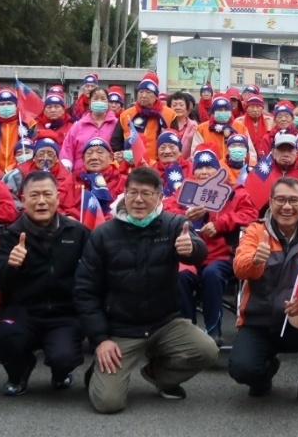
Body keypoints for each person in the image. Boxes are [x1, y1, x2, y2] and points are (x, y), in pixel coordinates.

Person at [75, 167, 219, 413]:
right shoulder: (103, 234)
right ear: (124, 194)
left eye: (146, 193)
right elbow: (84, 290)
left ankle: (158, 374)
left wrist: (192, 248)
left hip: (164, 322)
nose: (138, 199)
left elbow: (198, 250)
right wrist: (100, 339)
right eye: (133, 193)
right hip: (121, 328)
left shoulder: (175, 225)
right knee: (108, 404)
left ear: (159, 197)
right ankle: (99, 372)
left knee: (207, 350)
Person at [229, 177, 298, 411]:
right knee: (243, 370)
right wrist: (254, 261)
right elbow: (239, 268)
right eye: (280, 200)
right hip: (258, 321)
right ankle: (266, 370)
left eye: (293, 200)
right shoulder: (256, 231)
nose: (287, 206)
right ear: (270, 202)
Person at [0, 171, 88, 395]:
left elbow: (93, 274)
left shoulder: (77, 232)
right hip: (23, 311)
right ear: (23, 200)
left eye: (46, 194)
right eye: (34, 196)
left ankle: (61, 374)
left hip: (64, 313)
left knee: (64, 356)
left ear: (57, 198)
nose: (41, 201)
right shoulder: (11, 236)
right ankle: (20, 369)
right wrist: (12, 265)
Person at [168, 148, 258, 344]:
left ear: (219, 171)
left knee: (212, 274)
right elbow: (165, 209)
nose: (205, 172)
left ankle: (212, 331)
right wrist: (184, 215)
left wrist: (220, 224)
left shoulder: (234, 192)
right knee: (180, 275)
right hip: (190, 255)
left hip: (222, 256)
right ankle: (187, 331)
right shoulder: (185, 191)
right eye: (200, 168)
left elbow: (250, 215)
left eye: (210, 167)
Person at [111, 77, 177, 165]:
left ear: (156, 96)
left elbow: (175, 142)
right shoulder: (126, 114)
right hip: (130, 165)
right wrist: (122, 156)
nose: (144, 96)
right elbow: (116, 142)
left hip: (159, 167)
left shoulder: (169, 114)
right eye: (141, 92)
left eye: (148, 92)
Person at [60, 87, 117, 170]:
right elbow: (67, 150)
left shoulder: (117, 124)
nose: (99, 102)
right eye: (95, 99)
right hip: (80, 175)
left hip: (110, 176)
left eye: (103, 99)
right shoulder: (78, 126)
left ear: (108, 103)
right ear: (90, 103)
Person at [233, 93, 274, 158]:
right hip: (245, 156)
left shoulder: (270, 121)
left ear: (262, 109)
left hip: (266, 157)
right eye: (252, 107)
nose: (255, 110)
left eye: (258, 107)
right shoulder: (238, 122)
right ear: (246, 108)